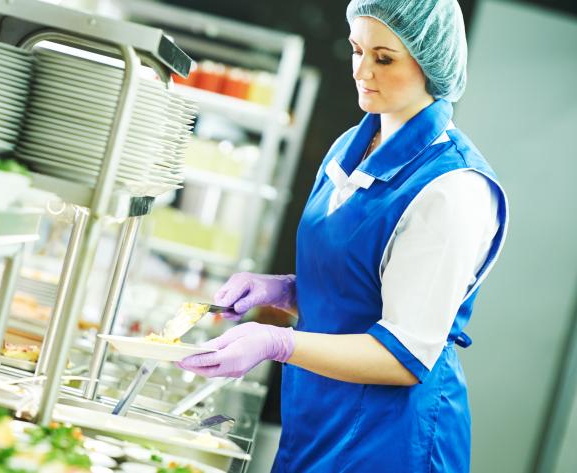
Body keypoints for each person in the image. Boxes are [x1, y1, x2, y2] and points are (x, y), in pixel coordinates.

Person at [177, 0, 509, 471]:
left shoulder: (451, 189)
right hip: (322, 411)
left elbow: (406, 355)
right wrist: (288, 290)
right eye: (356, 49)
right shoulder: (350, 148)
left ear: (430, 63)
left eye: (384, 57)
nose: (361, 70)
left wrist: (278, 342)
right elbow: (361, 286)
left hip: (393, 436)